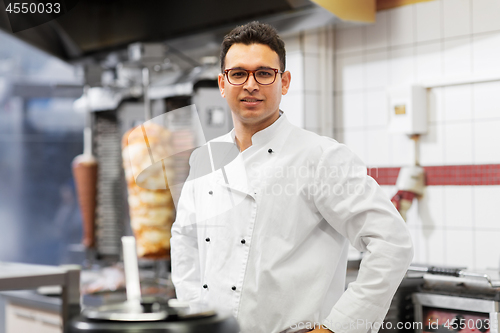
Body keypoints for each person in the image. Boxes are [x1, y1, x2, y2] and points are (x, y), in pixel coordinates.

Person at [170, 21, 413, 333]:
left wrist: (337, 328)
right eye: (238, 73)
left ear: (283, 82)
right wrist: (194, 313)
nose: (250, 85)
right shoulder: (205, 158)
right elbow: (185, 240)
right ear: (222, 83)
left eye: (264, 73)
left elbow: (392, 242)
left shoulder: (320, 157)